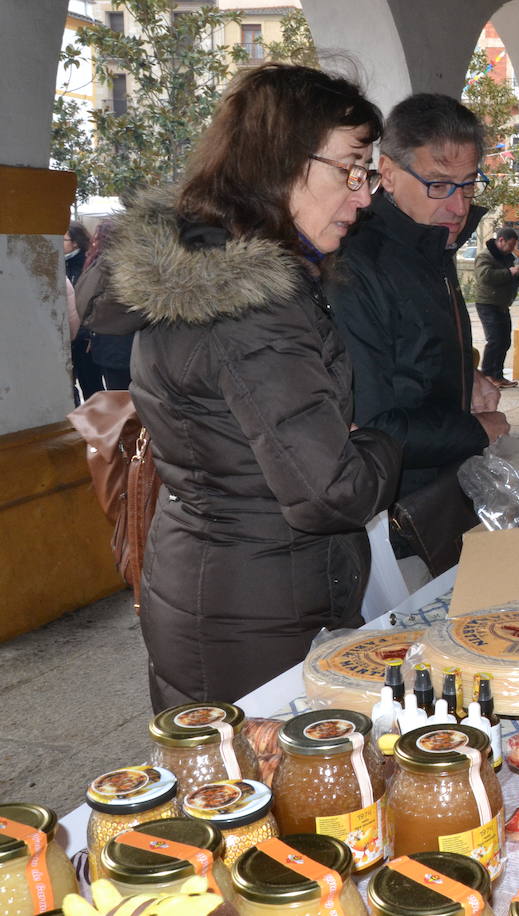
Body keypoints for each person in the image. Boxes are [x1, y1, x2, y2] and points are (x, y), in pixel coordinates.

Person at [111, 64, 402, 709]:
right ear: (278, 162)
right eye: (351, 170)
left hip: (236, 584)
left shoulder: (229, 276)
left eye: (369, 175)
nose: (363, 196)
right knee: (252, 786)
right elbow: (330, 492)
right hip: (254, 606)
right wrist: (380, 446)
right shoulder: (251, 309)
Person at [328, 93, 509, 508]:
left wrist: (466, 378)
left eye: (468, 185)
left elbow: (415, 355)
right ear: (387, 173)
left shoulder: (431, 244)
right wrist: (478, 430)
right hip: (395, 509)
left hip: (443, 488)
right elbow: (371, 426)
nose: (458, 205)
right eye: (439, 185)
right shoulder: (355, 265)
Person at [74, 220, 139, 390]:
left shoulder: (106, 264)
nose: (93, 241)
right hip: (130, 348)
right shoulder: (138, 263)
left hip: (115, 348)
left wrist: (93, 326)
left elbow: (85, 302)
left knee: (119, 400)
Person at [472, 225, 519, 388]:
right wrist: (509, 272)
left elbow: (506, 279)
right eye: (510, 245)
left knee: (504, 341)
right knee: (494, 340)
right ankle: (488, 375)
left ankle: (498, 375)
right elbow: (485, 277)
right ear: (501, 240)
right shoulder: (485, 256)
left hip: (502, 303)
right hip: (487, 303)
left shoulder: (506, 257)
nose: (512, 249)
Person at [65, 222, 103, 403]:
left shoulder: (86, 265)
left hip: (84, 338)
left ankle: (98, 425)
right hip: (69, 338)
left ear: (76, 243)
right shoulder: (58, 264)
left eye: (64, 239)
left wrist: (88, 333)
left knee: (91, 385)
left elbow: (90, 302)